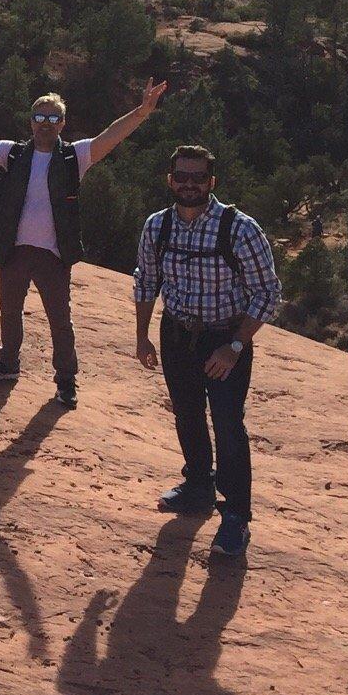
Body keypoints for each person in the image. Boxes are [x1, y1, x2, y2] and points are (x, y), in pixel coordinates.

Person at [0, 79, 165, 408]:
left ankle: (65, 379)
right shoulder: (14, 153)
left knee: (60, 320)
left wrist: (142, 112)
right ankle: (8, 364)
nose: (45, 124)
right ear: (31, 120)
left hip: (53, 254)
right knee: (10, 313)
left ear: (62, 123)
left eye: (52, 119)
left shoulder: (74, 156)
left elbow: (110, 137)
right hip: (13, 250)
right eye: (39, 117)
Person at [132, 144, 282, 559]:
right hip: (177, 334)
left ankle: (235, 516)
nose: (190, 184)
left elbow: (268, 294)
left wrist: (235, 346)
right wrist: (142, 336)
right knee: (186, 412)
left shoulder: (239, 228)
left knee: (229, 424)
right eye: (182, 176)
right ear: (170, 180)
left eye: (198, 177)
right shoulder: (158, 227)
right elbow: (147, 281)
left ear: (212, 182)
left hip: (224, 338)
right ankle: (198, 484)